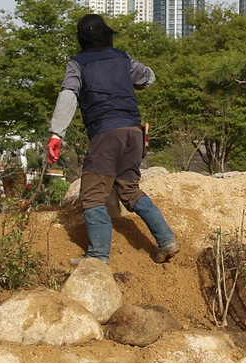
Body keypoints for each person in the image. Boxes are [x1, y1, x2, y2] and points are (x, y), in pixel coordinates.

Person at [45, 14, 179, 264]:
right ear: (106, 35)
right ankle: (166, 240)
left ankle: (97, 258)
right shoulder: (123, 57)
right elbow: (148, 78)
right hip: (134, 133)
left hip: (106, 134)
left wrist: (56, 134)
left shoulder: (77, 64)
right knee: (129, 189)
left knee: (93, 195)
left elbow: (68, 94)